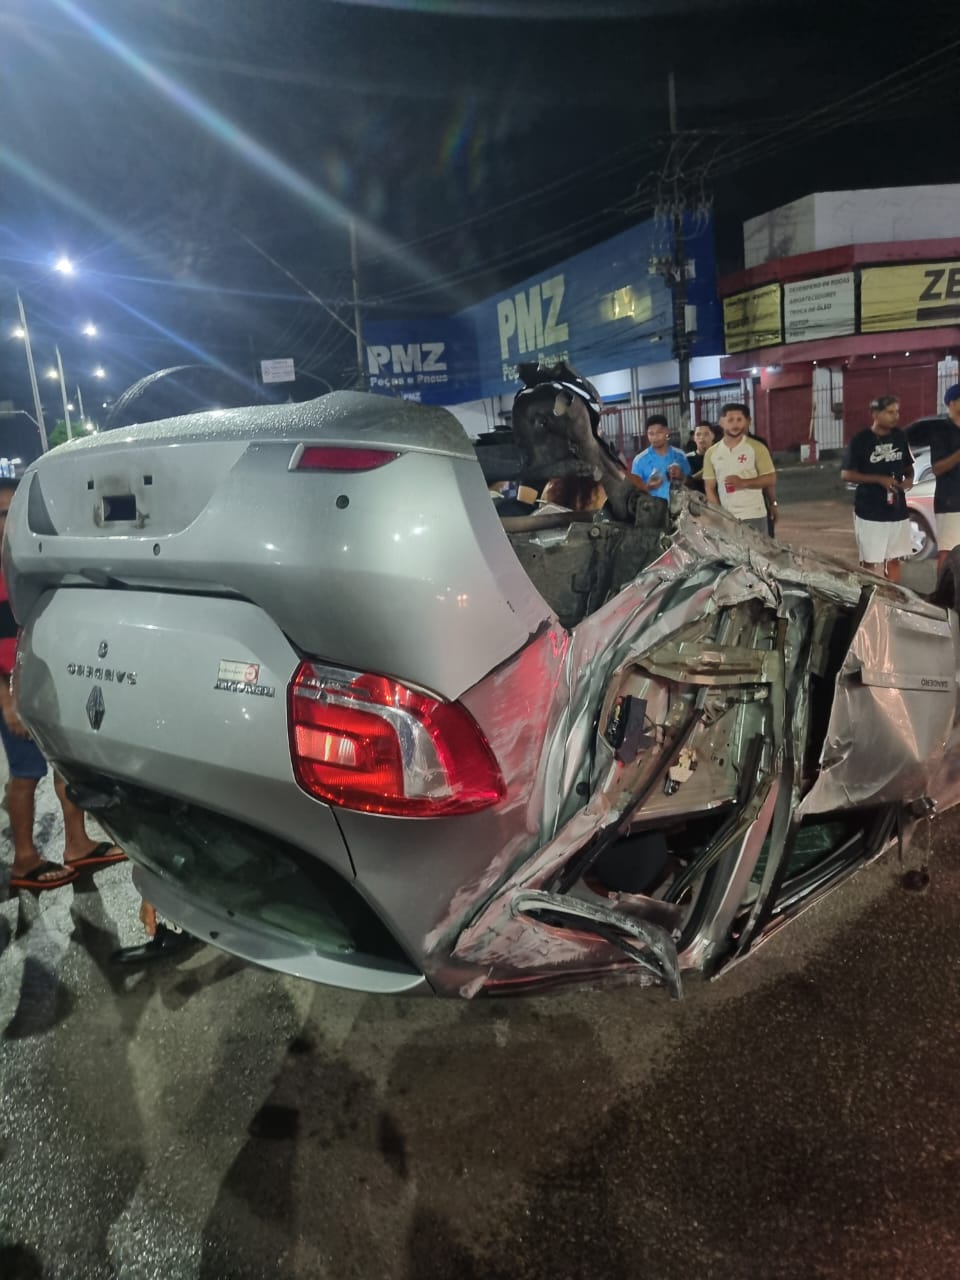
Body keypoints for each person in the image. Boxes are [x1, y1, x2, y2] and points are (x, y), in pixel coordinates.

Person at [0, 478, 126, 892]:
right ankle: (24, 858)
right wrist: (7, 699)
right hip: (12, 686)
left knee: (64, 763)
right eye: (2, 515)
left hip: (44, 678)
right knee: (25, 773)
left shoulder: (24, 561)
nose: (8, 524)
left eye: (12, 514)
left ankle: (77, 843)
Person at [840, 394, 914, 582]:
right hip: (870, 511)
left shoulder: (900, 436)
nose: (895, 416)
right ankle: (874, 603)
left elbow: (908, 466)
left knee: (895, 560)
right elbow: (846, 474)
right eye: (890, 412)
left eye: (897, 412)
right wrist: (878, 479)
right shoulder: (861, 440)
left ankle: (894, 603)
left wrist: (909, 480)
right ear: (875, 414)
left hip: (897, 510)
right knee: (871, 563)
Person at [702, 403, 777, 533]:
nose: (735, 424)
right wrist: (720, 514)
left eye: (739, 419)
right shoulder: (712, 453)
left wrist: (743, 483)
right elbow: (709, 487)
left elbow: (770, 478)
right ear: (721, 422)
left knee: (756, 553)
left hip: (754, 515)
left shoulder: (757, 448)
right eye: (730, 420)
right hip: (727, 518)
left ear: (746, 422)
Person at [928, 383, 960, 574]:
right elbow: (937, 468)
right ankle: (941, 596)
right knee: (948, 552)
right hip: (950, 501)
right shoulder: (942, 431)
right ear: (953, 403)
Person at [631, 415, 690, 499]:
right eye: (651, 433)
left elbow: (691, 484)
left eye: (659, 432)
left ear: (667, 432)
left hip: (679, 508)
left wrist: (681, 476)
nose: (655, 437)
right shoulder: (639, 460)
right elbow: (633, 492)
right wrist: (648, 487)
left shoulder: (680, 456)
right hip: (653, 509)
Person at [685, 422, 720, 495]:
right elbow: (685, 483)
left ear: (713, 436)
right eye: (698, 434)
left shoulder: (720, 456)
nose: (701, 437)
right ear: (694, 438)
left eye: (706, 434)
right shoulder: (687, 458)